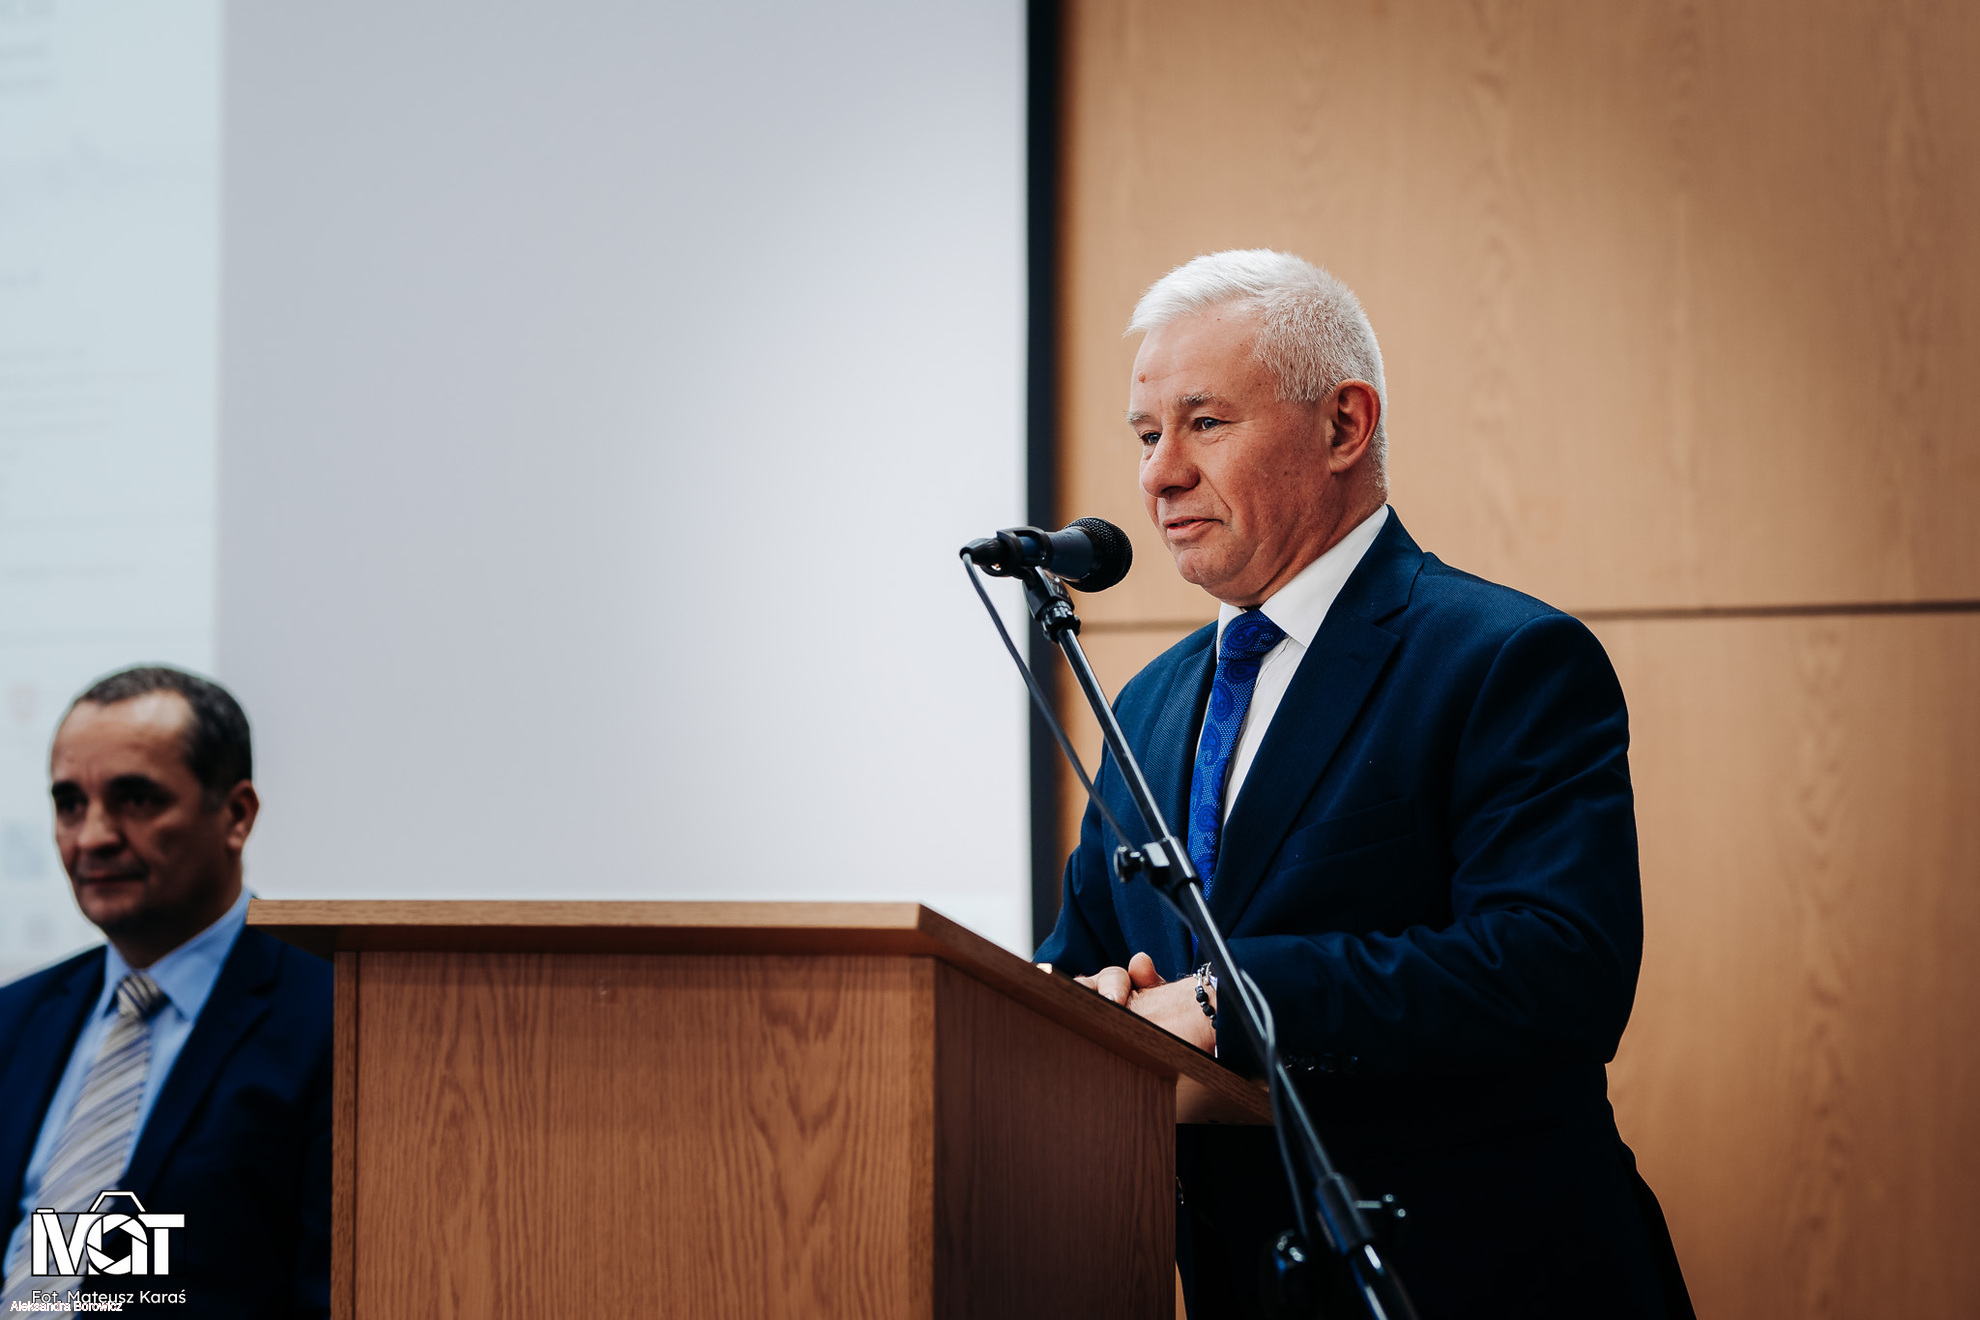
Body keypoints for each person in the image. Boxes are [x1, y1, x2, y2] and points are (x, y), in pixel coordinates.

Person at [1035, 250, 1693, 1319]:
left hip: (1481, 1284)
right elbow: (1084, 959)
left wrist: (1228, 1003)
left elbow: (1557, 970)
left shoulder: (1505, 659)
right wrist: (1089, 1004)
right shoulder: (1145, 706)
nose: (1159, 476)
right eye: (1147, 435)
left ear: (1345, 425)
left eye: (1206, 423)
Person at [0, 667, 330, 1318]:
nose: (93, 836)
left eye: (137, 800)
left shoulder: (333, 1020)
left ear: (236, 815)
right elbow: (57, 1254)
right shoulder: (15, 1019)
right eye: (70, 804)